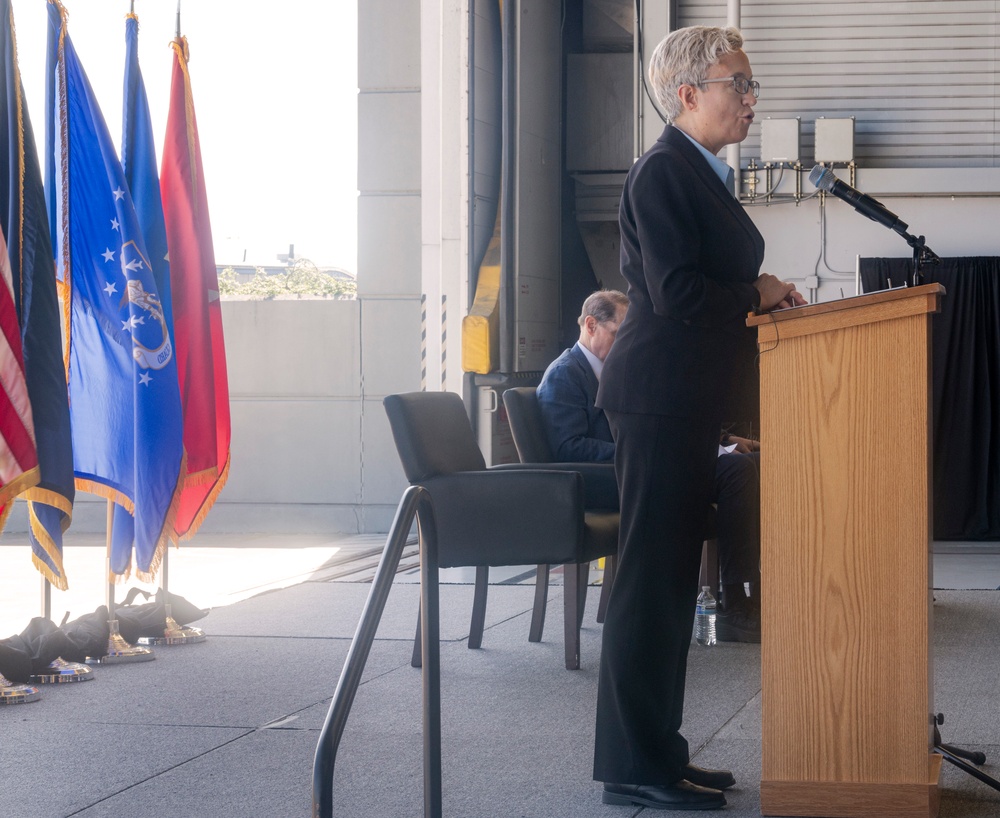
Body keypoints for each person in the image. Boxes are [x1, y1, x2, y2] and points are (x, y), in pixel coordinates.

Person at [592, 26, 805, 811]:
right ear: (688, 94)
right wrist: (759, 291)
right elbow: (678, 293)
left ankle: (661, 753)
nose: (750, 101)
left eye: (752, 86)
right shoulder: (662, 173)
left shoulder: (701, 173)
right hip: (655, 400)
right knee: (650, 586)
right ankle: (632, 769)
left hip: (683, 402)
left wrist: (763, 296)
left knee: (673, 584)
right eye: (736, 85)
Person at [536, 289, 763, 643]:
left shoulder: (621, 372)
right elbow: (569, 446)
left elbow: (662, 426)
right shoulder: (565, 374)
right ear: (591, 325)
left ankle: (755, 593)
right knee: (738, 473)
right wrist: (644, 452)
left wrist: (719, 441)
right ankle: (733, 601)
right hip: (603, 479)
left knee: (753, 465)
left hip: (641, 468)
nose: (628, 344)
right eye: (620, 334)